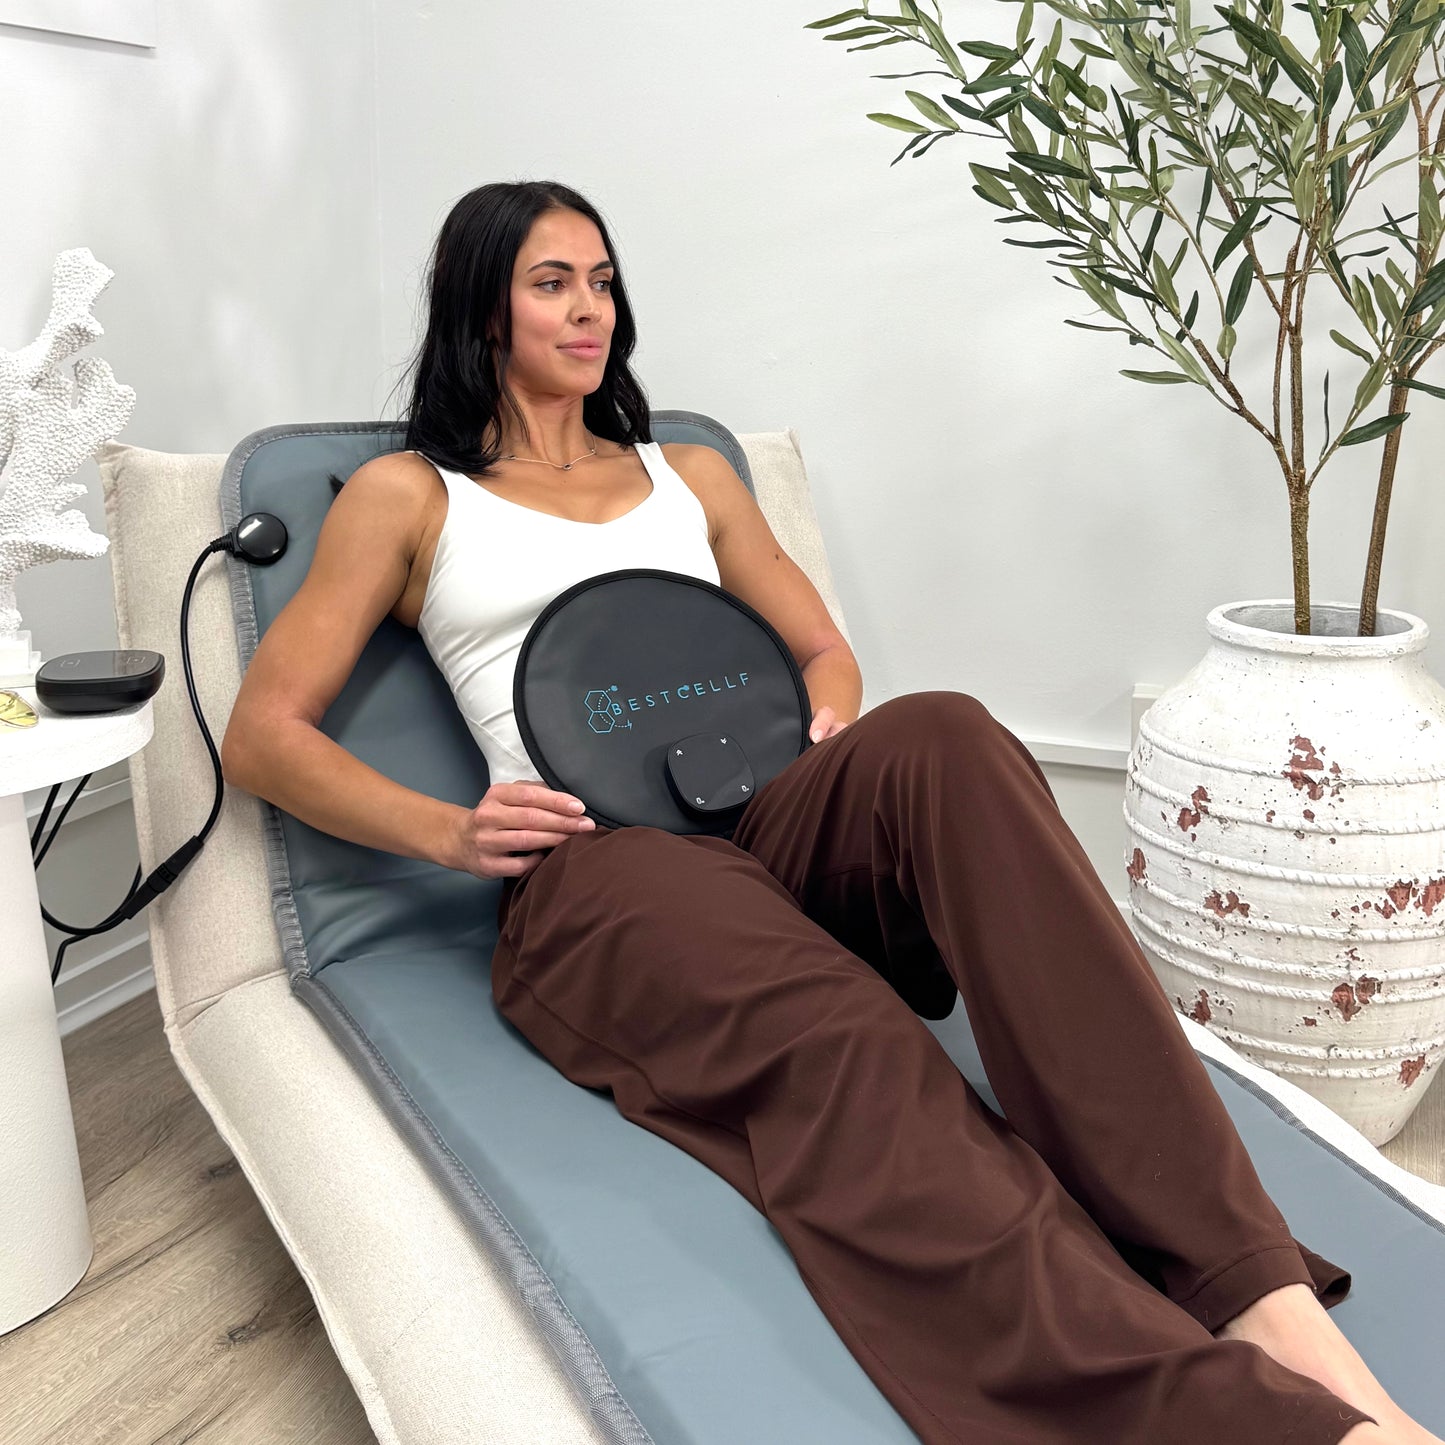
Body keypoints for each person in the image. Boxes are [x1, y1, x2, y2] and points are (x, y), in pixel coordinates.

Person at [221, 180, 1438, 1445]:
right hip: (603, 866)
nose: (589, 309)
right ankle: (1236, 1423)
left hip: (764, 815)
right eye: (550, 283)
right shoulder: (412, 498)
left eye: (601, 279)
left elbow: (818, 647)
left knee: (950, 730)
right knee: (853, 1037)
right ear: (481, 310)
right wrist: (452, 831)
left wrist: (831, 732)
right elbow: (265, 733)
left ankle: (1259, 1295)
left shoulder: (684, 473)